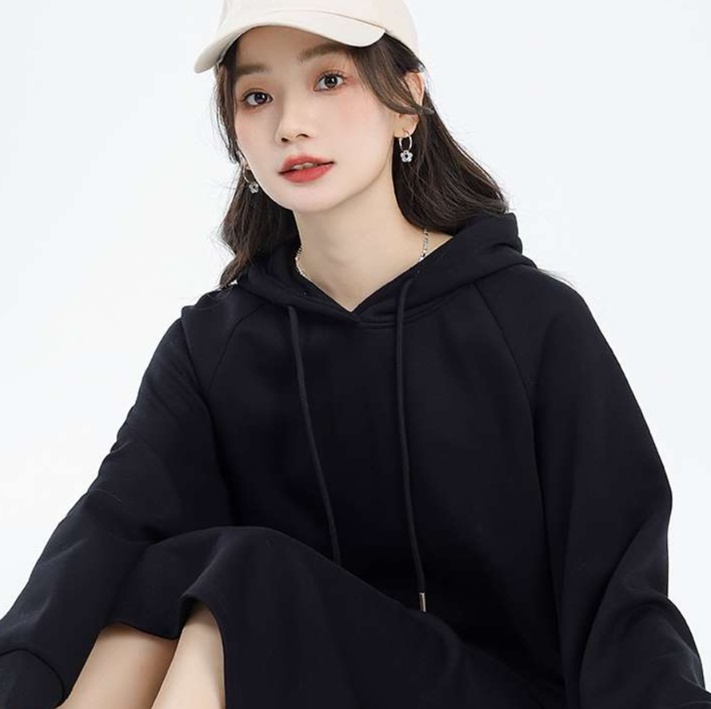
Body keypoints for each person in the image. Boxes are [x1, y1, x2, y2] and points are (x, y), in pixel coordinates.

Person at [1, 0, 710, 707]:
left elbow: (621, 594)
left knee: (242, 582)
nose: (290, 124)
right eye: (256, 97)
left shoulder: (532, 323)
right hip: (298, 679)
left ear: (406, 101)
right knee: (136, 584)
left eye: (329, 80)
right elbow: (110, 529)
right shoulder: (213, 346)